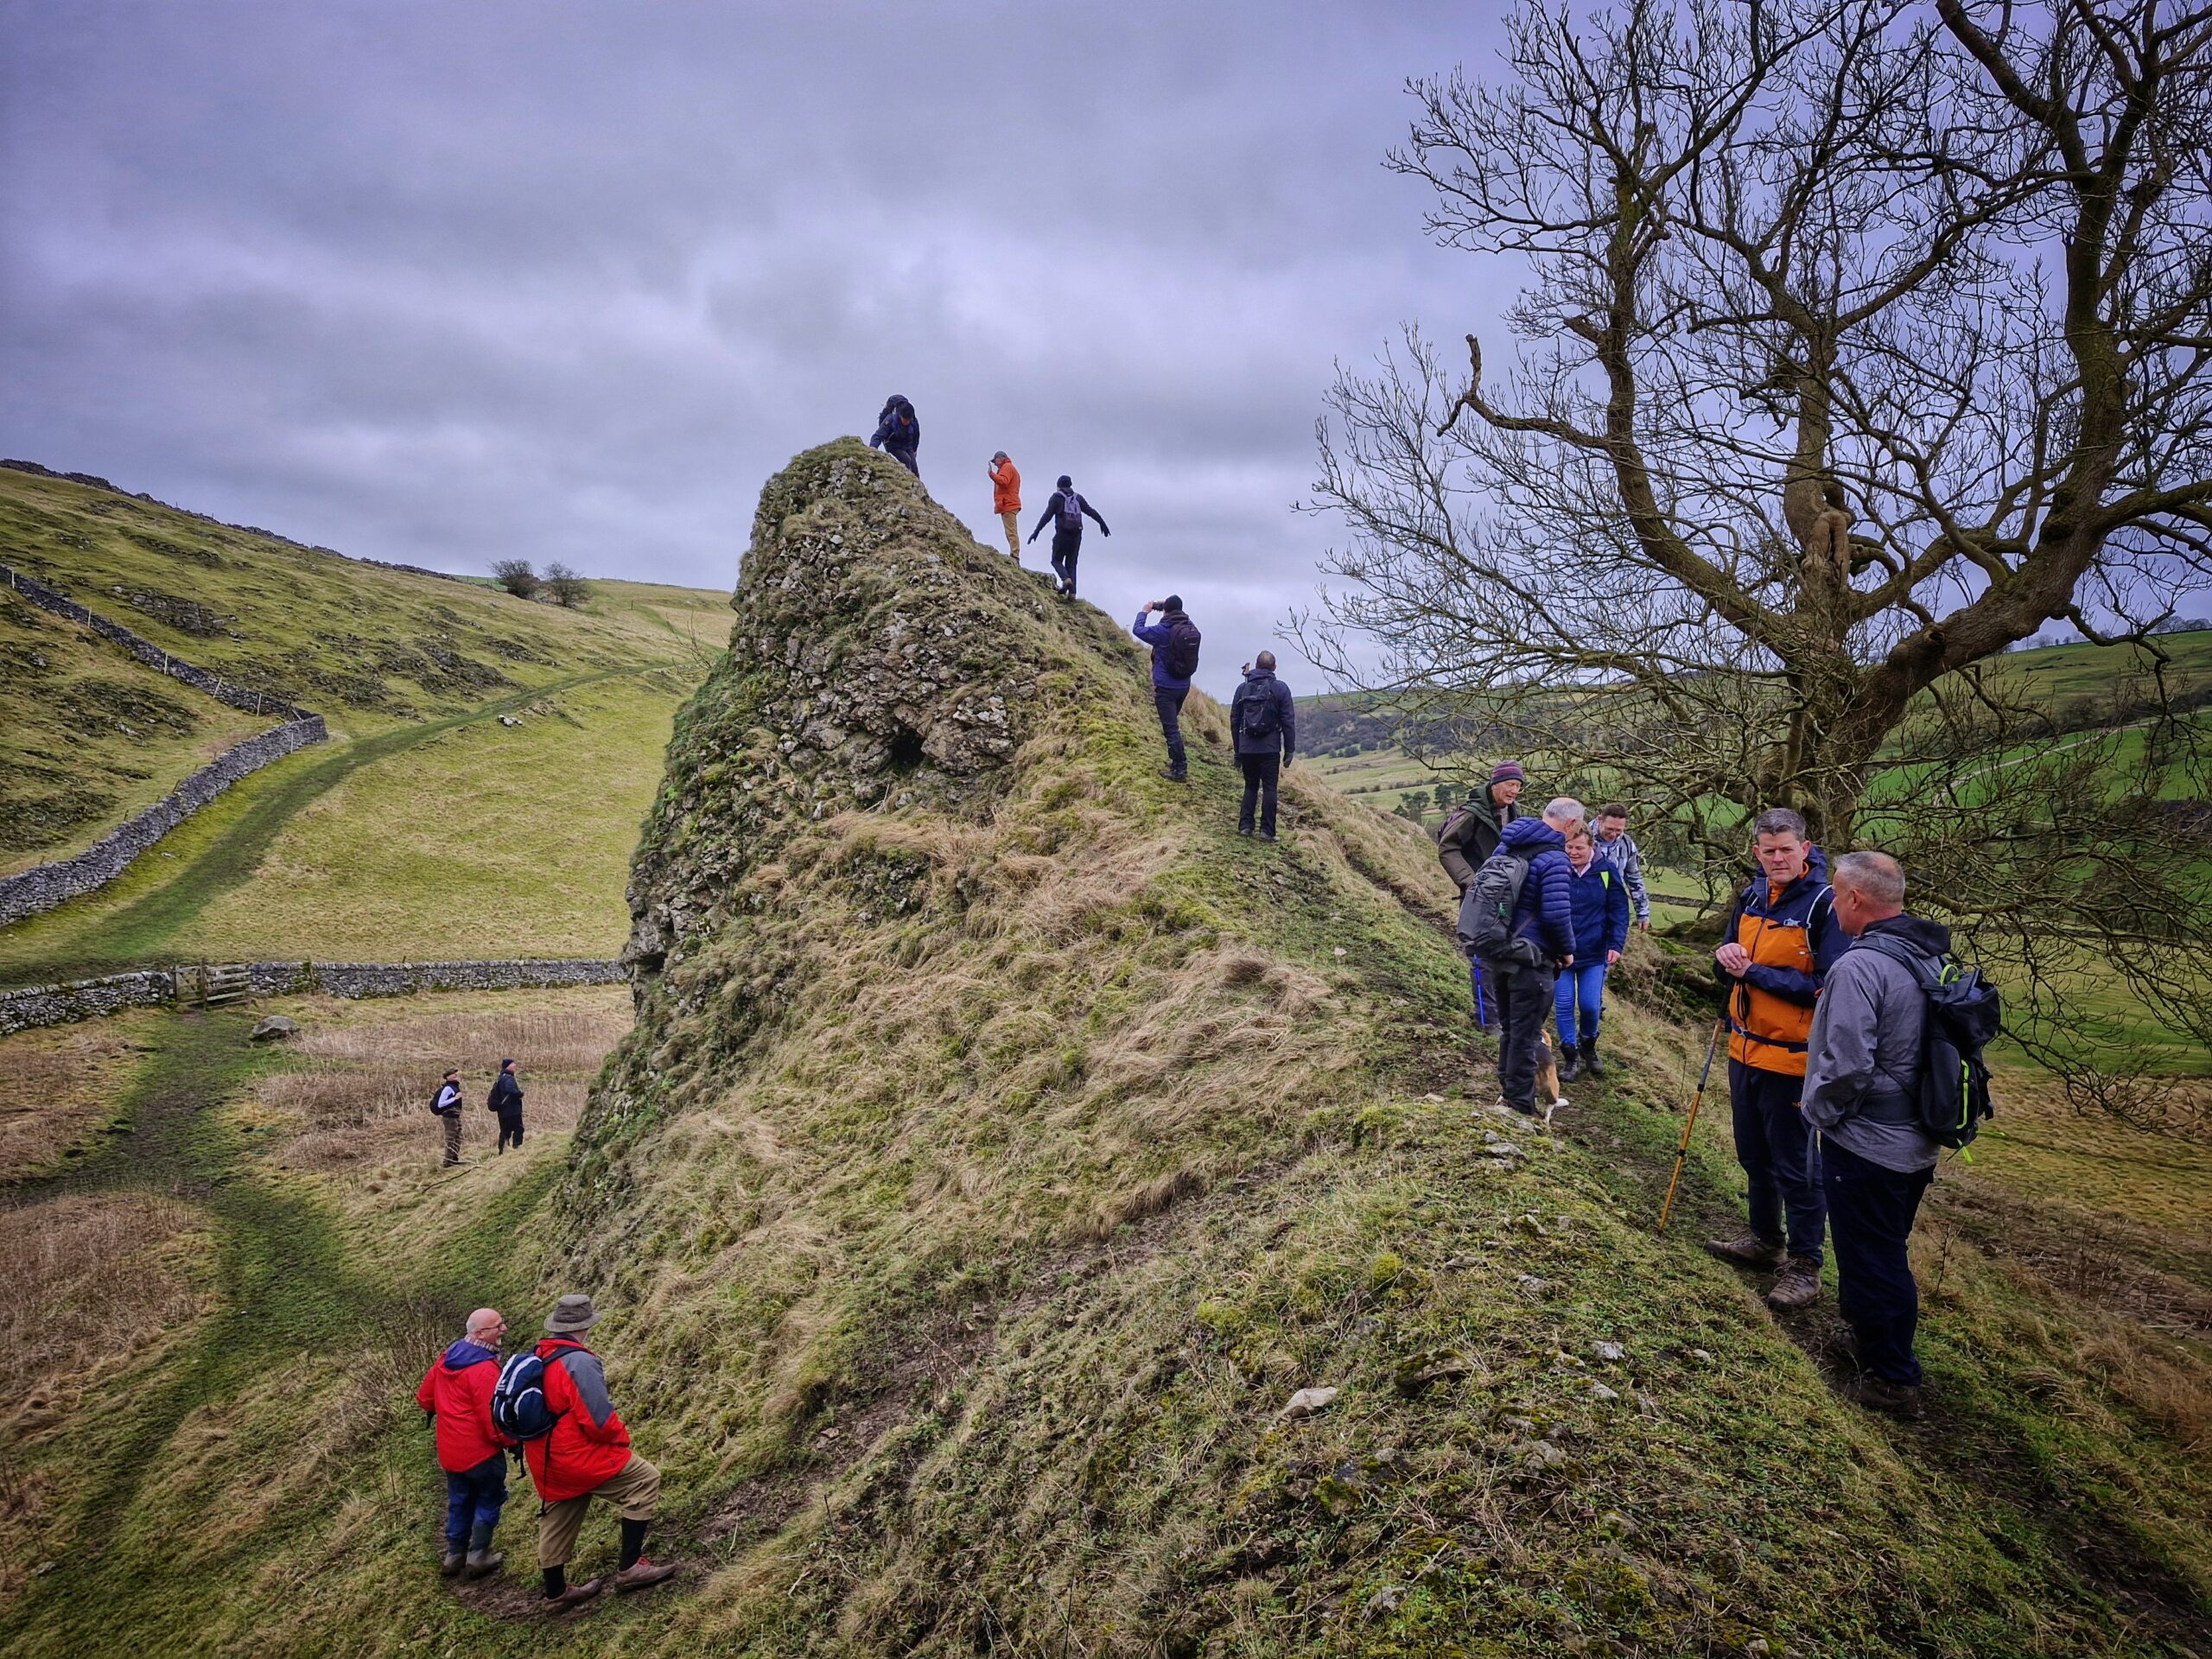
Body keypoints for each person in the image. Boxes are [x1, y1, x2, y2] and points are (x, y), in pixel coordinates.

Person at [1802, 851, 1947, 1418]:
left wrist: (1818, 1111)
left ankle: (1893, 1378)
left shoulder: (1859, 967)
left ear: (1856, 899)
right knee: (1881, 1246)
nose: (1834, 905)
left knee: (1874, 1256)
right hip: (1917, 1138)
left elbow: (1847, 1066)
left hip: (1868, 1142)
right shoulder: (1927, 954)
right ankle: (1866, 1337)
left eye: (1837, 895)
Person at [1707, 807, 1847, 1311]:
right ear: (1757, 852)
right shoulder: (1750, 896)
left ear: (1805, 848)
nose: (1778, 859)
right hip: (1743, 1050)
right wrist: (1725, 961)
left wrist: (1753, 973)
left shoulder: (1826, 906)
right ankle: (1765, 1240)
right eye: (1769, 851)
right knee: (1753, 1155)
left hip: (1793, 1061)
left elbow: (1828, 987)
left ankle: (1806, 1266)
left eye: (1786, 849)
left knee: (1798, 1167)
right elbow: (1728, 961)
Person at [527, 1294, 679, 1609]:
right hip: (578, 1456)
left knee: (558, 1513)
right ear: (585, 1325)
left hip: (545, 1457)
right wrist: (620, 1439)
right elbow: (598, 1419)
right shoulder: (579, 1362)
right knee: (644, 1479)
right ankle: (631, 1566)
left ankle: (556, 1593)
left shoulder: (539, 1354)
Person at [1474, 797, 1580, 1119]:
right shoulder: (1555, 859)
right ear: (1571, 824)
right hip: (1531, 959)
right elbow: (1556, 914)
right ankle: (1520, 1103)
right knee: (1527, 1032)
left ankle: (1509, 1092)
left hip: (1498, 949)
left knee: (1510, 1028)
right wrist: (1567, 950)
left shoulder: (1507, 845)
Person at [414, 1308, 514, 1578]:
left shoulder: (448, 1356)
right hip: (481, 1454)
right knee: (489, 1497)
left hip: (450, 1452)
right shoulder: (484, 1370)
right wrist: (512, 1440)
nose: (504, 1329)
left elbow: (425, 1398)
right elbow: (493, 1419)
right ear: (480, 1334)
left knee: (460, 1500)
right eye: (498, 1326)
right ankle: (479, 1555)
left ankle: (454, 1555)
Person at [1440, 762, 1526, 1033]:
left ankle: (1500, 1013)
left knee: (1504, 953)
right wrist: (1471, 882)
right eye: (1510, 784)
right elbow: (1448, 848)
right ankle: (1487, 1020)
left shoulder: (1514, 811)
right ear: (1495, 783)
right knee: (1481, 955)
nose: (1514, 790)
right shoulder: (1471, 814)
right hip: (1479, 897)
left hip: (1507, 896)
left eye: (1518, 786)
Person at [1554, 826, 1630, 1082]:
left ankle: (1588, 1044)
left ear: (1591, 847)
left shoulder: (1606, 871)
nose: (1573, 852)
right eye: (1569, 847)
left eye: (1579, 848)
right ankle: (1570, 1056)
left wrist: (1616, 944)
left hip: (1594, 952)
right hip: (1560, 953)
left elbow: (1619, 910)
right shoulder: (1556, 869)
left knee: (1589, 1006)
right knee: (1564, 1004)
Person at [1131, 597, 1200, 783]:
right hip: (1183, 686)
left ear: (1165, 611)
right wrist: (1166, 606)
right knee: (1172, 725)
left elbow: (1138, 630)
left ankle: (1180, 768)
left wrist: (1145, 611)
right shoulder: (1189, 626)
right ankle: (1176, 761)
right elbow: (1178, 613)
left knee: (1171, 728)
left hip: (1166, 687)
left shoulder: (1161, 631)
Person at [1229, 652, 1296, 839]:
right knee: (1270, 788)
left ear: (1256, 666)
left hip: (1247, 747)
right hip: (1270, 748)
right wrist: (1289, 749)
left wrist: (1238, 750)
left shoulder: (1242, 688)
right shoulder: (1281, 689)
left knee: (1250, 785)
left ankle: (1245, 826)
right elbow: (1288, 721)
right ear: (1274, 668)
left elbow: (1234, 720)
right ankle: (1267, 831)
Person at [1027, 475, 1109, 597]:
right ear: (1070, 485)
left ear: (1058, 486)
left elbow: (1047, 516)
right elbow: (1091, 511)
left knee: (1056, 560)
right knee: (1071, 563)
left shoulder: (1056, 498)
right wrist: (1102, 523)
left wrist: (1036, 532)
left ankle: (1066, 579)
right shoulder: (1078, 498)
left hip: (1062, 534)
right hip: (1076, 535)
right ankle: (1072, 594)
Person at [1590, 804, 1653, 932]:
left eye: (1618, 830)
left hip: (1613, 906)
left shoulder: (1627, 844)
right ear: (1600, 820)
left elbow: (1634, 878)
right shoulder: (1581, 838)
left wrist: (1643, 913)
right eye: (1609, 829)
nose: (1613, 834)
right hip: (1584, 907)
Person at [868, 395, 920, 475]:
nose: (907, 422)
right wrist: (873, 446)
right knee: (906, 459)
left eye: (908, 420)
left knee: (914, 468)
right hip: (893, 444)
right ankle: (906, 479)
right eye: (905, 419)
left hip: (907, 445)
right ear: (900, 415)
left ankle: (916, 481)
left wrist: (914, 449)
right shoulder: (890, 420)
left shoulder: (913, 422)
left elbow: (916, 435)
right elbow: (878, 435)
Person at [988, 451, 1022, 559]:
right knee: (1010, 531)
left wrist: (991, 474)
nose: (995, 464)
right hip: (1008, 503)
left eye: (995, 461)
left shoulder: (1006, 467)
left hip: (1008, 504)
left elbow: (1003, 481)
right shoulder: (1008, 467)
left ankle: (1015, 555)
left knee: (1011, 531)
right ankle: (1014, 553)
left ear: (1000, 458)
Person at [488, 1058, 524, 1154]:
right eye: (512, 1064)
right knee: (518, 1129)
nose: (515, 1065)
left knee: (505, 1131)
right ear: (508, 1066)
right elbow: (510, 1090)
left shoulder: (501, 1077)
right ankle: (517, 1148)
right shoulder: (508, 1078)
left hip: (502, 1111)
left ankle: (503, 1151)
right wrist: (519, 1094)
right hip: (512, 1110)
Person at [433, 1068, 465, 1167]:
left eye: (456, 1073)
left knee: (457, 1137)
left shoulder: (454, 1087)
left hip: (455, 1116)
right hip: (449, 1117)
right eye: (453, 1074)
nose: (455, 1075)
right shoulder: (448, 1088)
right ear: (447, 1077)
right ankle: (448, 1161)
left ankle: (454, 1158)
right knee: (450, 1138)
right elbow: (440, 1104)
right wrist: (454, 1098)